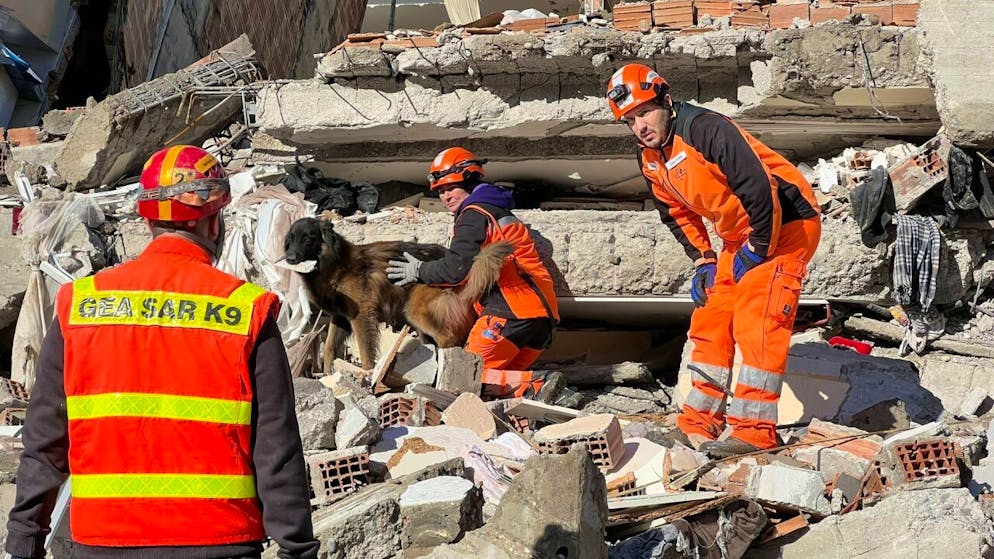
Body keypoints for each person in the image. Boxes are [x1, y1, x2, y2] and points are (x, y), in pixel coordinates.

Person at [5, 145, 320, 559]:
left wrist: (25, 539)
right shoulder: (246, 310)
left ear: (147, 219)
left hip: (104, 543)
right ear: (214, 222)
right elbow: (276, 446)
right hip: (219, 541)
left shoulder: (81, 305)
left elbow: (45, 438)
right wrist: (296, 548)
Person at [606, 64, 822, 457]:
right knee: (711, 320)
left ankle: (755, 433)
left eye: (644, 113)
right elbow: (676, 213)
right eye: (630, 120)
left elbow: (759, 187)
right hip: (739, 238)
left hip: (785, 225)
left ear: (666, 100)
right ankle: (698, 422)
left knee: (758, 320)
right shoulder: (650, 157)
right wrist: (704, 259)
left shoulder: (706, 130)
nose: (640, 126)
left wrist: (758, 247)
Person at [386, 147, 563, 401]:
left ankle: (540, 382)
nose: (445, 197)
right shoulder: (496, 210)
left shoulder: (473, 215)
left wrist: (419, 270)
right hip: (542, 319)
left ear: (469, 180)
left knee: (464, 374)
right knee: (498, 386)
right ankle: (552, 394)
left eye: (451, 188)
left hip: (509, 313)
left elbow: (455, 270)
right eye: (440, 191)